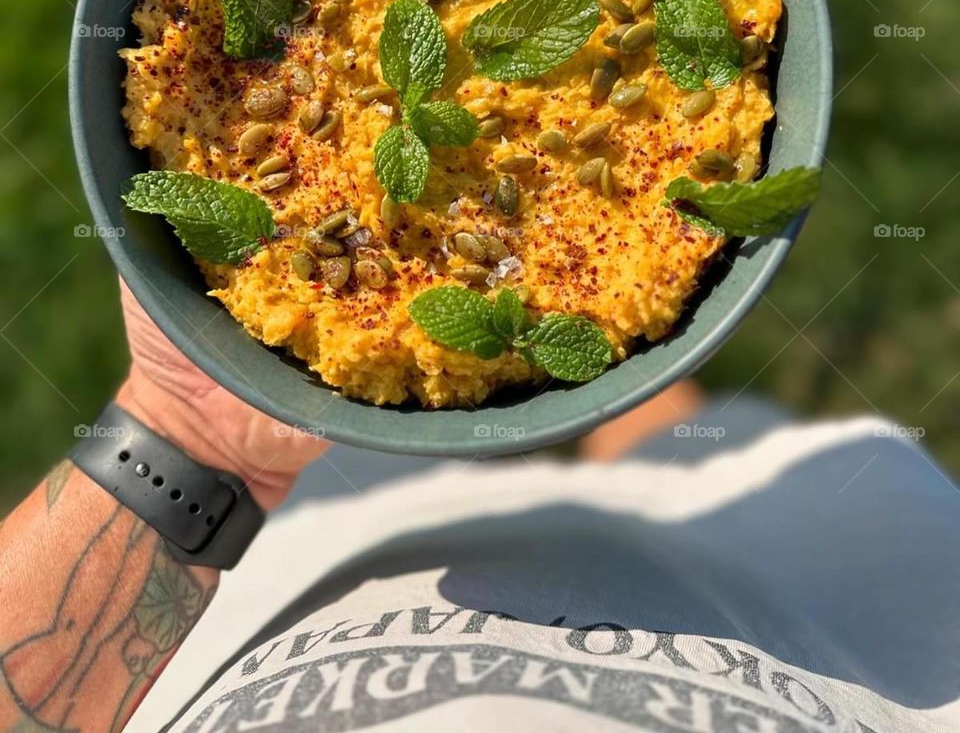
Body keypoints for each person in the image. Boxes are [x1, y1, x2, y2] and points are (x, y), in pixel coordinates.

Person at [0, 282, 955, 733]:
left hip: (325, 539)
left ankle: (621, 345)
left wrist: (189, 430)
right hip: (845, 603)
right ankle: (634, 358)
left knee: (652, 414)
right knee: (676, 445)